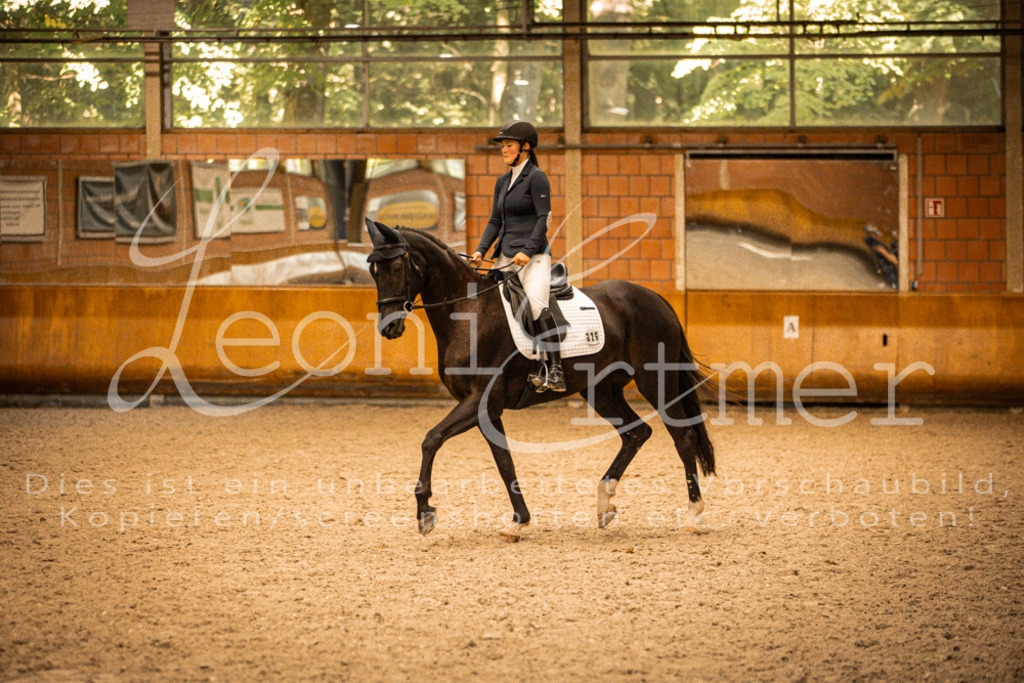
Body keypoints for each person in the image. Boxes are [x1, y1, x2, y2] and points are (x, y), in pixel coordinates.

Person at [470, 120, 564, 392]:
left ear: (525, 147)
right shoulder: (502, 181)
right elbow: (494, 221)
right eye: (502, 145)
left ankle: (555, 368)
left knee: (535, 305)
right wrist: (480, 250)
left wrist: (528, 250)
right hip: (505, 255)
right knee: (490, 306)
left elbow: (543, 219)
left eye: (508, 145)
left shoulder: (537, 177)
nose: (503, 150)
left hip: (532, 257)